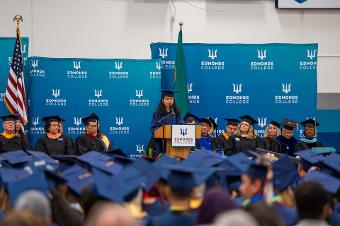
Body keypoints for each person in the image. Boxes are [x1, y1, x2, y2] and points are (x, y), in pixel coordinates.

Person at [149, 89, 182, 155]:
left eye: (171, 99)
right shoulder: (157, 114)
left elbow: (181, 124)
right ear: (162, 100)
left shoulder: (176, 113)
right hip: (160, 143)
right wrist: (164, 130)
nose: (169, 101)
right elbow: (153, 128)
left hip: (174, 142)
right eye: (167, 99)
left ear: (173, 100)